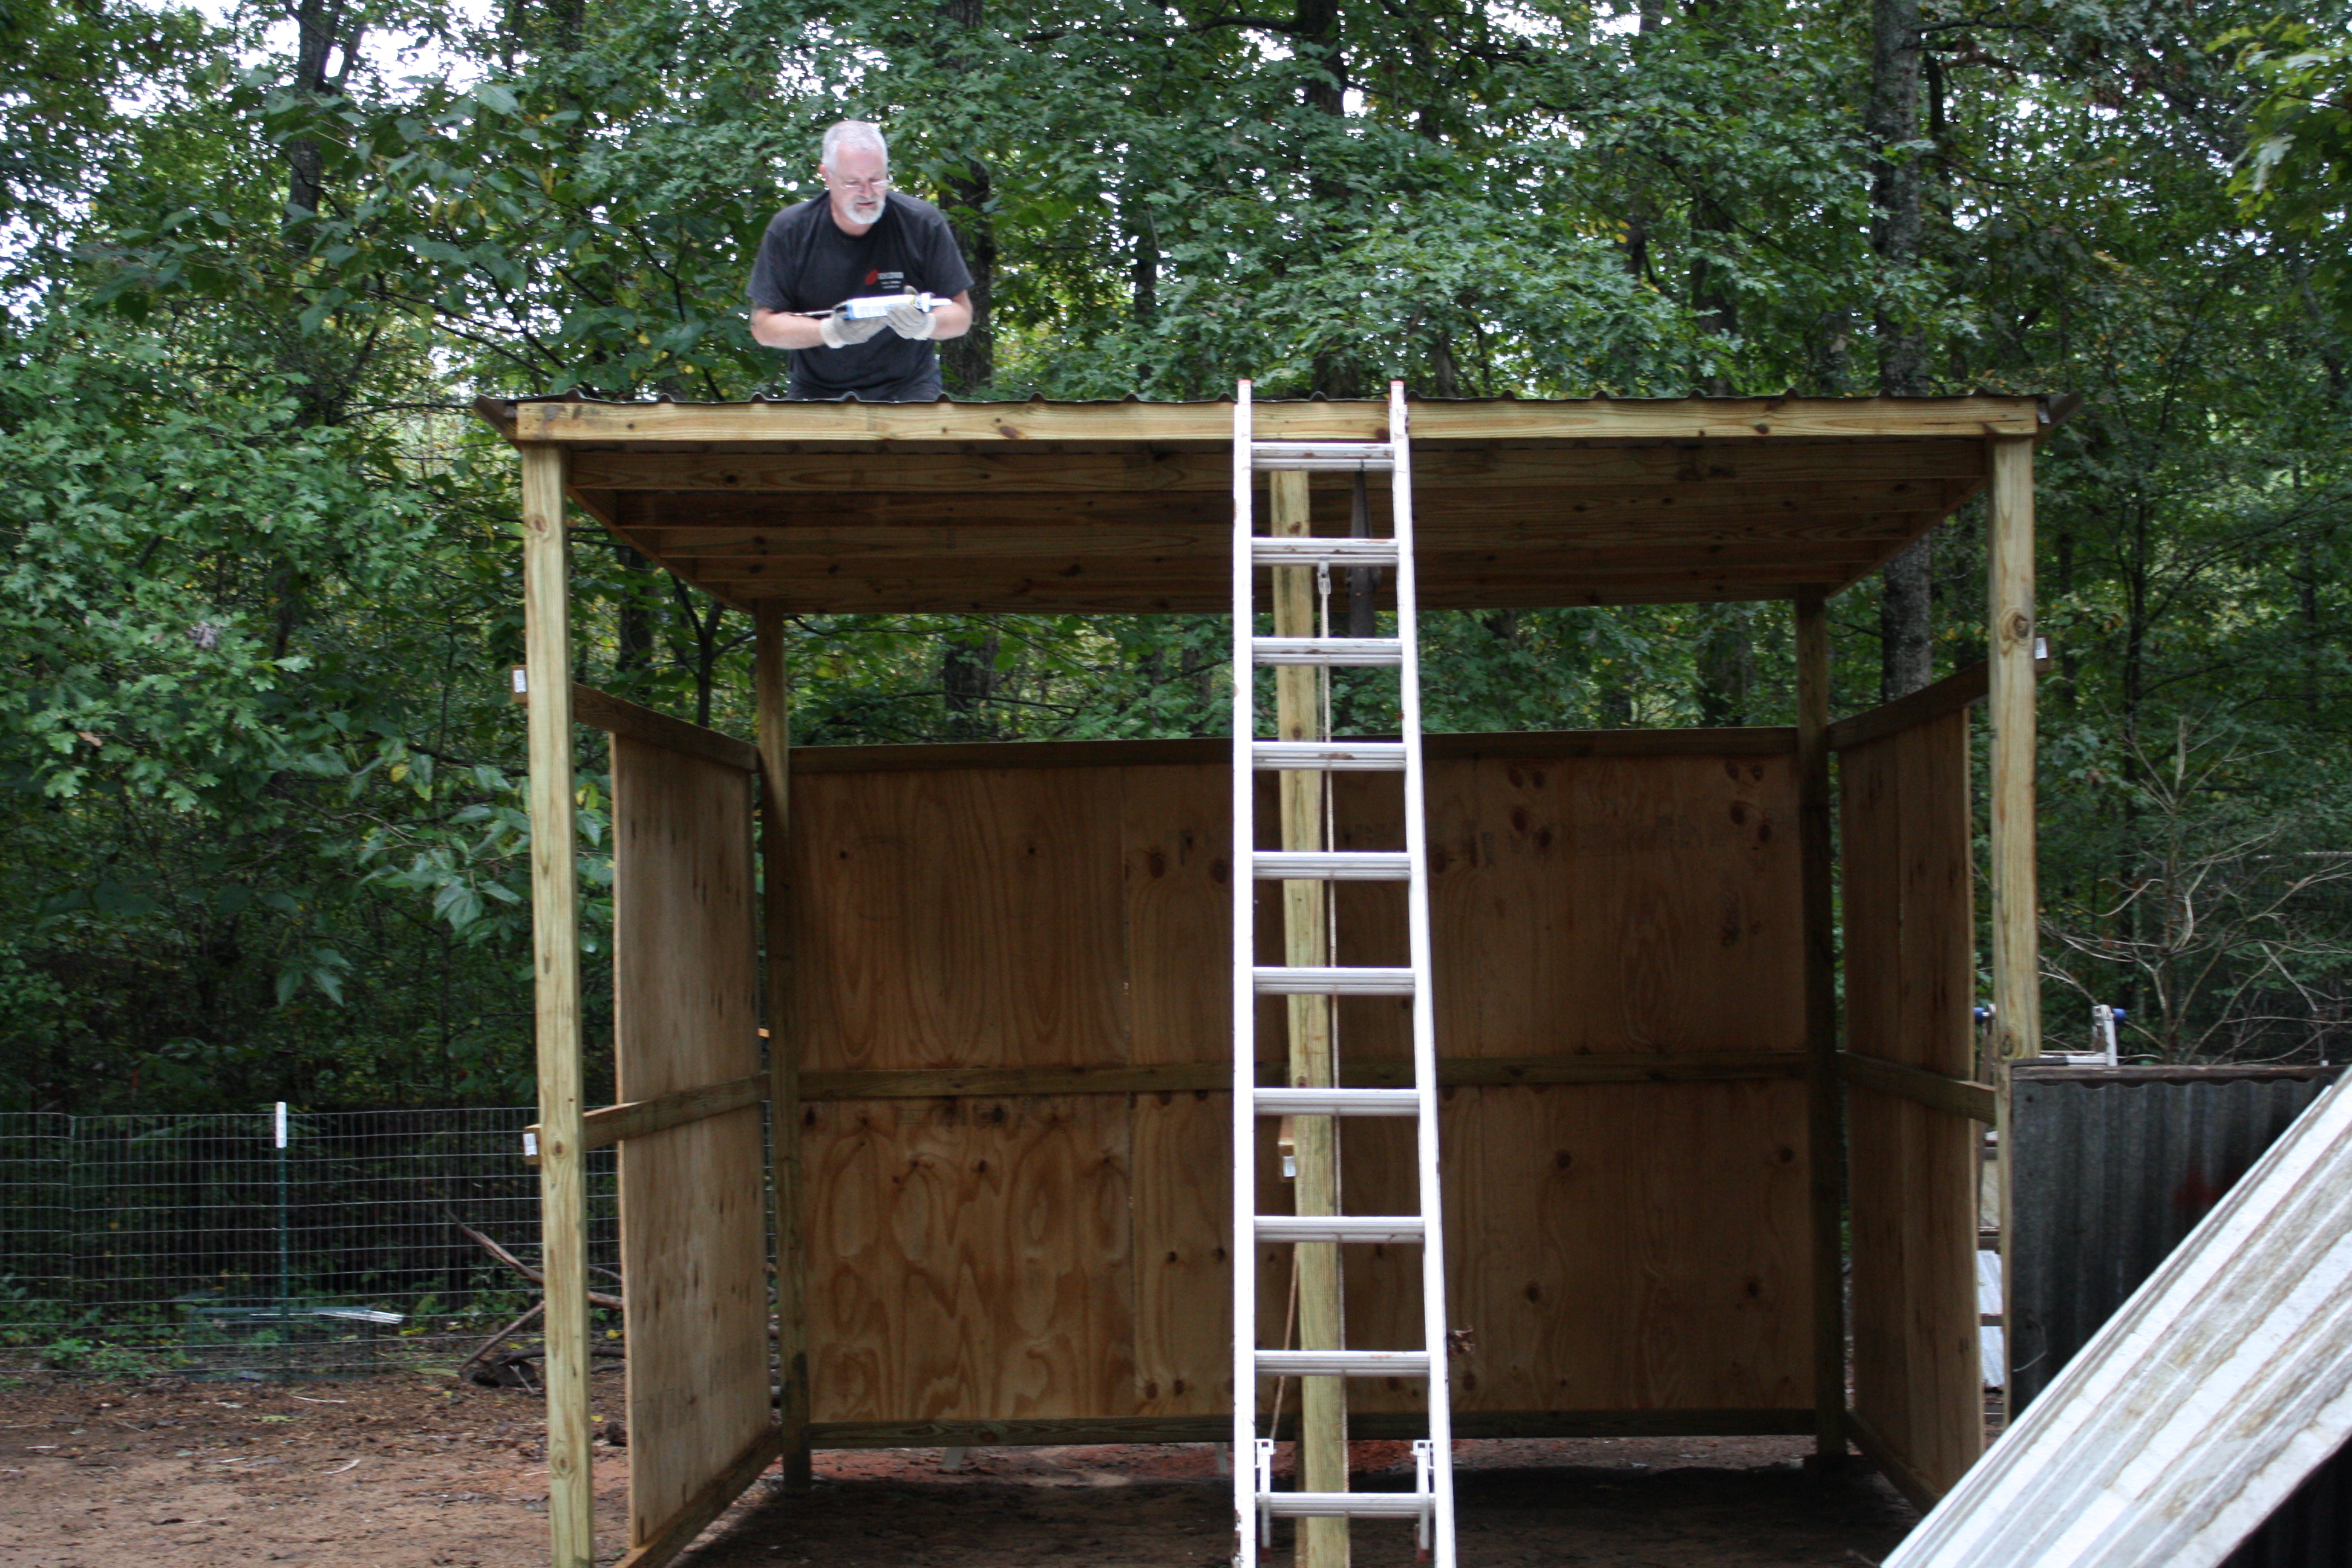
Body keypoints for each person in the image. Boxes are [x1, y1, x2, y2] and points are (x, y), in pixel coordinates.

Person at [747, 120, 976, 402]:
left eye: (877, 179)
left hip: (909, 388)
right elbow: (763, 327)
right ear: (826, 176)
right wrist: (831, 331)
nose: (867, 193)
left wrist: (924, 325)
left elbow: (962, 315)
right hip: (816, 391)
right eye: (853, 182)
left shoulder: (921, 223)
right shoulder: (790, 230)